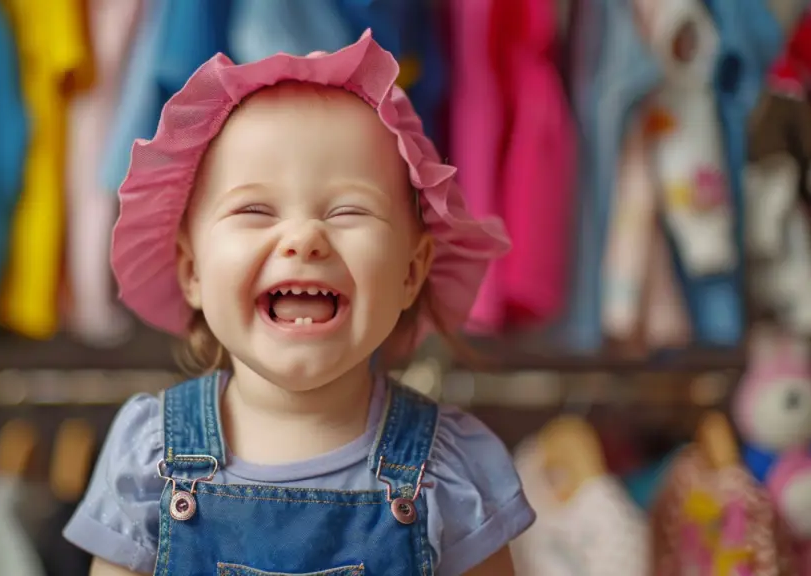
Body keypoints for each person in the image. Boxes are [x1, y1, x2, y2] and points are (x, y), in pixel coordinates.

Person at [63, 30, 534, 576]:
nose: (304, 237)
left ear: (411, 271)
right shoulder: (148, 459)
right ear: (192, 271)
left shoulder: (451, 474)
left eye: (348, 211)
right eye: (256, 210)